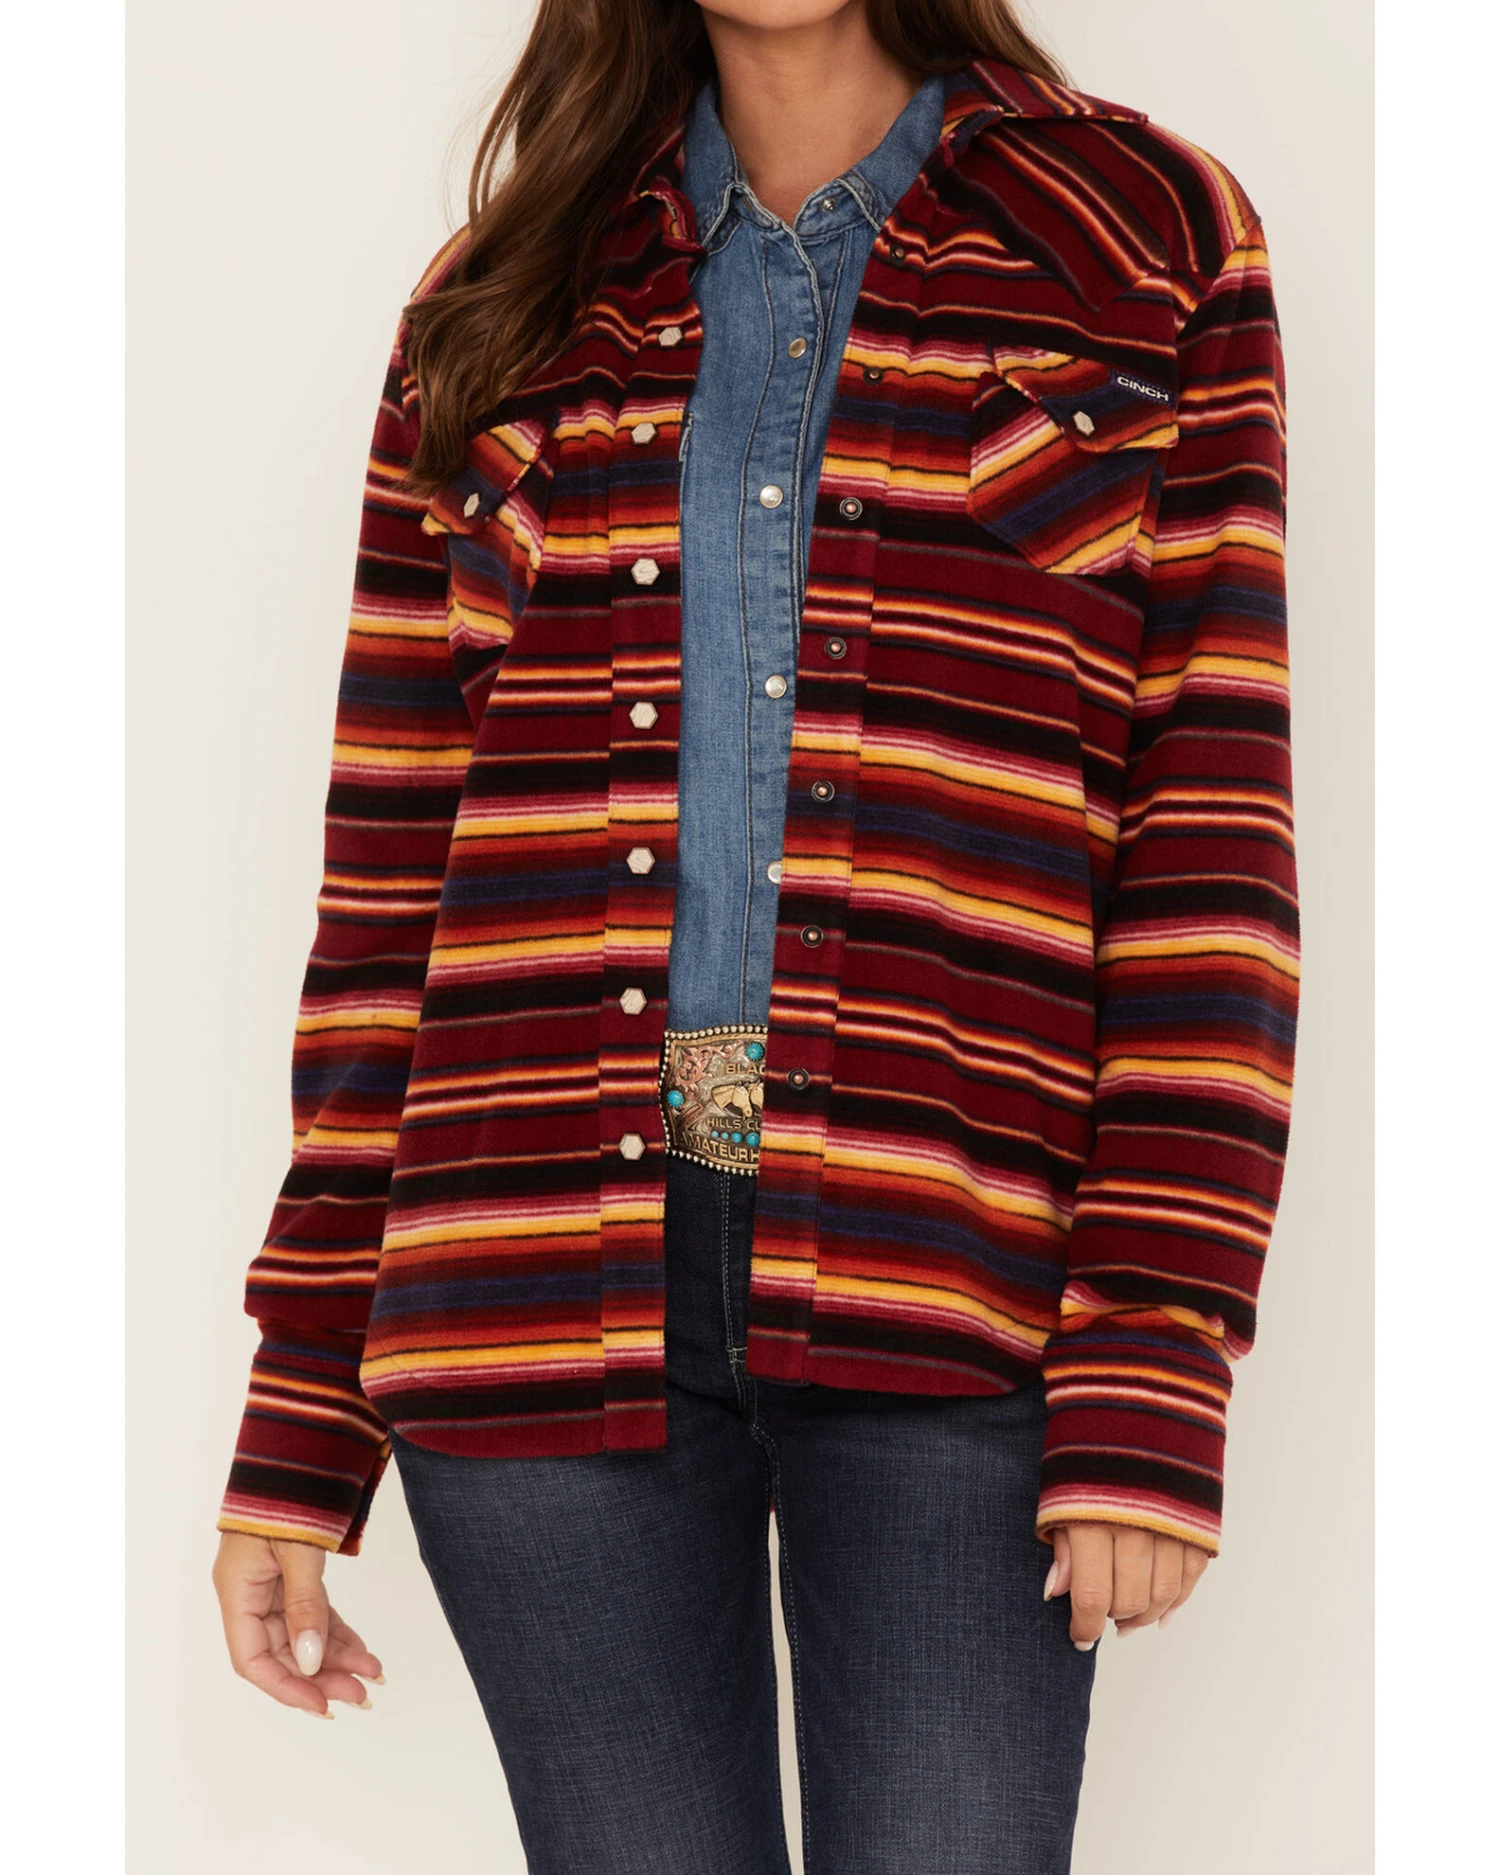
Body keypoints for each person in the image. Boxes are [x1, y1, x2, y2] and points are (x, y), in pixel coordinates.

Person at [212, 2, 1298, 1869]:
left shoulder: (1144, 235)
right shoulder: (498, 300)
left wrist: (1155, 1343)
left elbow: (1209, 833)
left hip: (951, 1270)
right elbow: (390, 887)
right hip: (534, 1282)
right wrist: (303, 1401)